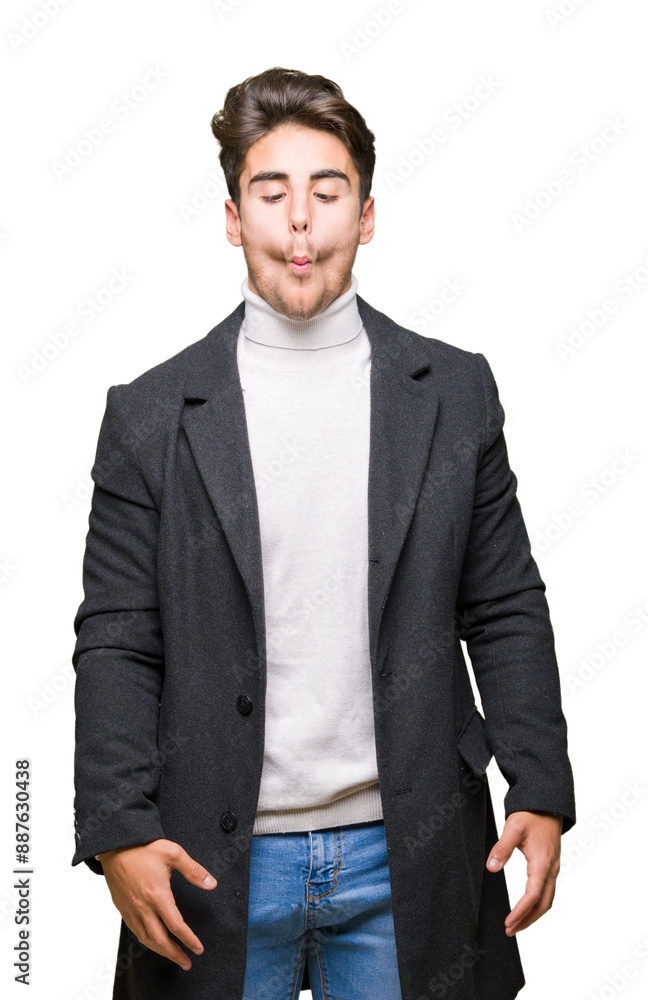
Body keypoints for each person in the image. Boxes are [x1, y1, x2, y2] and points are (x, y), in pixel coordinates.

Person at [72, 67, 576, 1000]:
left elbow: (505, 605)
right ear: (234, 219)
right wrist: (117, 828)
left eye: (327, 191)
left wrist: (541, 787)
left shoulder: (454, 394)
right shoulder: (149, 415)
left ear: (366, 215)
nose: (300, 221)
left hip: (410, 852)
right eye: (272, 194)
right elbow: (118, 638)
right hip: (208, 866)